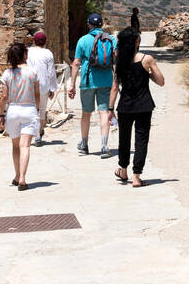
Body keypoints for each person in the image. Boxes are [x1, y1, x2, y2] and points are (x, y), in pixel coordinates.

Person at [109, 26, 164, 187]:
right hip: (144, 106)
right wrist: (148, 73)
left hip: (125, 106)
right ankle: (136, 176)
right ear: (137, 41)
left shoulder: (119, 61)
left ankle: (123, 170)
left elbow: (114, 87)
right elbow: (161, 81)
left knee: (123, 139)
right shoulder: (147, 59)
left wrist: (110, 109)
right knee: (141, 140)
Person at [0, 43, 41, 190]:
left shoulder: (7, 74)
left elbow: (3, 97)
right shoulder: (32, 72)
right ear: (24, 55)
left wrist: (1, 114)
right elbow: (37, 94)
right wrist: (38, 109)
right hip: (29, 110)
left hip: (13, 111)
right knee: (25, 146)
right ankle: (22, 178)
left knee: (16, 146)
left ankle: (16, 175)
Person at [70, 13, 114, 158]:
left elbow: (76, 63)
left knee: (86, 113)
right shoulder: (111, 39)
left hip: (87, 82)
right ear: (101, 25)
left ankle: (84, 144)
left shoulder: (82, 40)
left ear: (88, 24)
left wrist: (72, 84)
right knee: (104, 113)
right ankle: (104, 146)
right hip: (106, 81)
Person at [26, 30, 58, 145]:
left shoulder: (28, 51)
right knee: (42, 111)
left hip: (29, 85)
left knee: (31, 110)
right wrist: (53, 88)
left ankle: (30, 134)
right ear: (45, 42)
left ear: (34, 41)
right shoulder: (48, 53)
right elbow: (51, 73)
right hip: (43, 86)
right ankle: (38, 135)